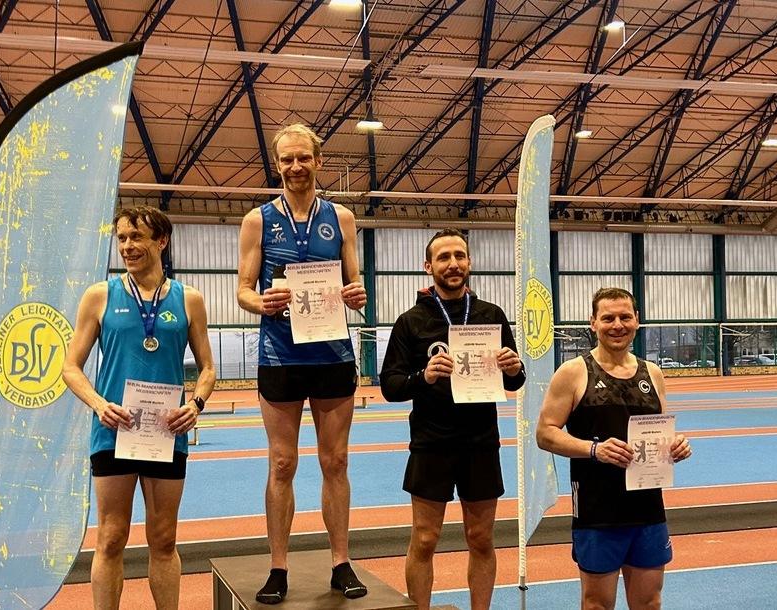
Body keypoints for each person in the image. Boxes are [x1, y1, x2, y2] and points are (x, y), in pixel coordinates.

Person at [236, 123, 368, 604]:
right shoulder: (258, 220)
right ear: (277, 164)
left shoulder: (343, 218)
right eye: (287, 159)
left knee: (336, 461)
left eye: (303, 158)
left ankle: (341, 562)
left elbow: (356, 285)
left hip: (332, 353)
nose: (295, 167)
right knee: (282, 463)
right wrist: (263, 304)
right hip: (280, 355)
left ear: (318, 161)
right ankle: (278, 568)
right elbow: (243, 290)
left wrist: (356, 296)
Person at [63, 206, 216, 610]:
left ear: (161, 241)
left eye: (137, 238)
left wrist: (196, 404)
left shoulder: (190, 300)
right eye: (122, 239)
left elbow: (208, 368)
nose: (128, 247)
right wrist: (99, 404)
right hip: (114, 430)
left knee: (164, 538)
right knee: (111, 537)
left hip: (167, 432)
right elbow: (69, 367)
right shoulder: (100, 296)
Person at [379, 228, 525, 610]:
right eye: (443, 257)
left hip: (480, 443)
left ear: (470, 263)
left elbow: (516, 380)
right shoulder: (411, 322)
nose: (453, 264)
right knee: (425, 539)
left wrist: (514, 365)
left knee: (481, 538)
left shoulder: (491, 315)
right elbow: (390, 385)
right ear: (428, 267)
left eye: (460, 255)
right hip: (432, 442)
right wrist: (423, 377)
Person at [536, 287, 692, 610]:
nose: (617, 324)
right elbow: (545, 433)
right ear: (593, 323)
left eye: (625, 317)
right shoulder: (574, 372)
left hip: (648, 509)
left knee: (649, 602)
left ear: (637, 320)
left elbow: (659, 434)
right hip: (598, 512)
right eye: (608, 318)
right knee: (597, 605)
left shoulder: (654, 374)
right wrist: (595, 450)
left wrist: (675, 446)